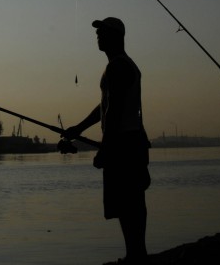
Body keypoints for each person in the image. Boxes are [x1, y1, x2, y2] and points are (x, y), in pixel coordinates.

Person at [64, 17, 150, 264]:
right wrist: (78, 128)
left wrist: (106, 149)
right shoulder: (118, 65)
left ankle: (136, 254)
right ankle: (136, 253)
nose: (98, 36)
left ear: (117, 36)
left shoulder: (118, 67)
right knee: (129, 199)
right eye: (98, 33)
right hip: (129, 140)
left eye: (103, 32)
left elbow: (114, 110)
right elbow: (105, 106)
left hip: (125, 141)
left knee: (129, 200)